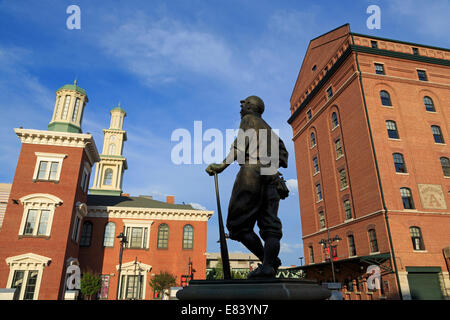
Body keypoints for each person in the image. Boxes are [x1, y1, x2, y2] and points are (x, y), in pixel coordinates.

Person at [206, 96, 288, 279]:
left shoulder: (248, 119)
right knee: (271, 225)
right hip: (272, 176)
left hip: (252, 172)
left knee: (237, 227)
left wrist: (221, 165)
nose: (241, 107)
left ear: (250, 106)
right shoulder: (271, 130)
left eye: (243, 104)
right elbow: (284, 156)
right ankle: (268, 265)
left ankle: (270, 262)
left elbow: (240, 147)